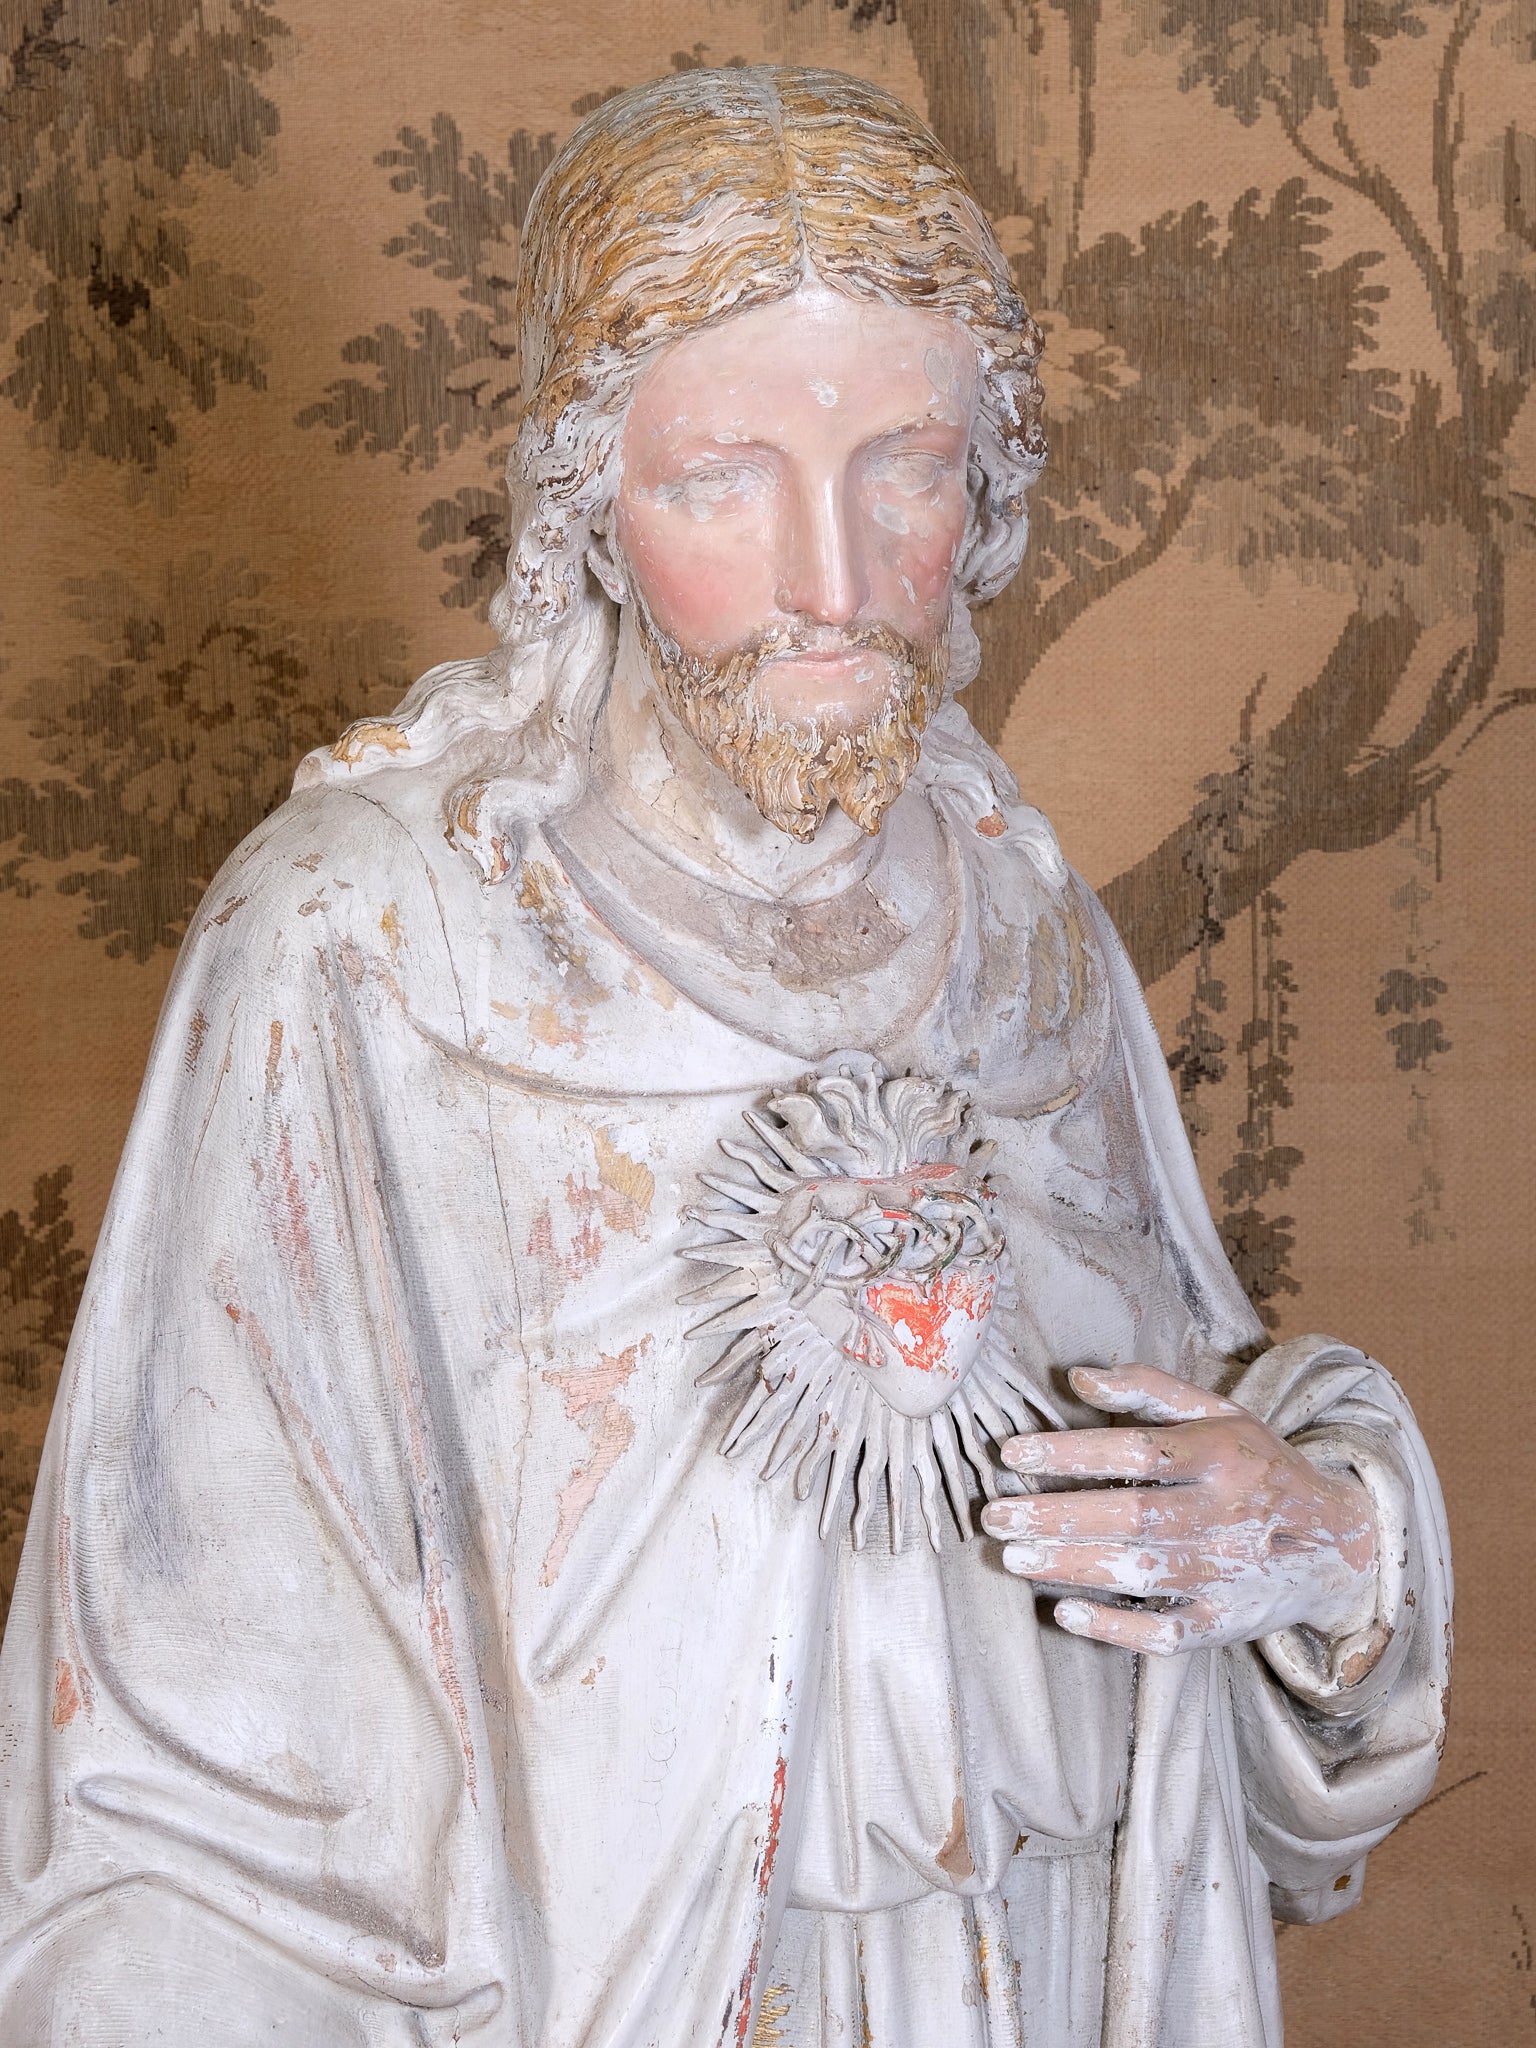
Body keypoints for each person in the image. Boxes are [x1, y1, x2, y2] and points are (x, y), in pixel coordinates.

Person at [0, 65, 1450, 2048]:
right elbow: (177, 1777)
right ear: (584, 507)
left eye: (905, 466)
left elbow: (1212, 1474)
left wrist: (1333, 1534)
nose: (832, 583)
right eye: (721, 481)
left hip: (1035, 1974)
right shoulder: (366, 946)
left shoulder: (1023, 932)